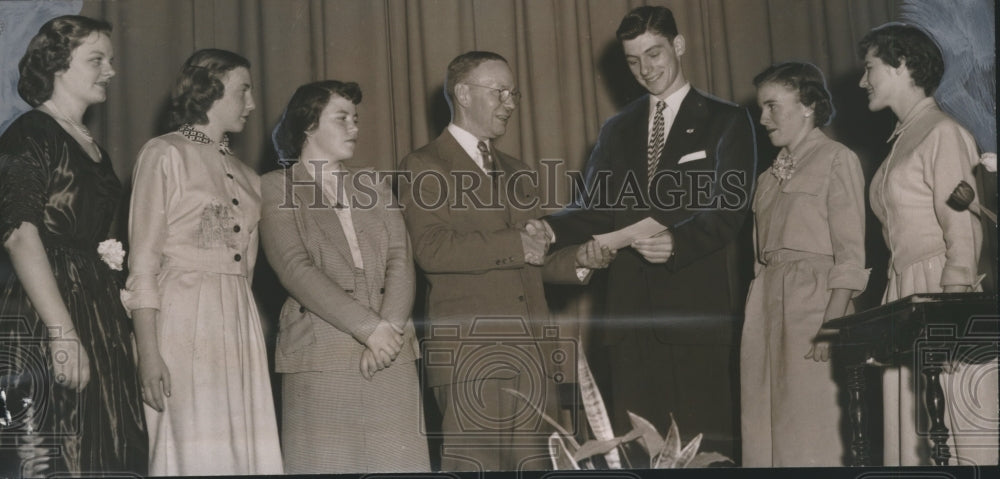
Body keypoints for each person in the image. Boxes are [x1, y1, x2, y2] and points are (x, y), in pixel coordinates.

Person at [542, 5, 757, 459]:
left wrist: (678, 243)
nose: (645, 70)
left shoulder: (727, 120)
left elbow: (729, 211)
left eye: (654, 54)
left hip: (695, 317)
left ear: (678, 46)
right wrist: (546, 227)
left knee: (703, 454)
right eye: (634, 61)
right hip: (628, 319)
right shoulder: (616, 129)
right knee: (638, 454)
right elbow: (595, 211)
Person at [398, 51, 613, 471]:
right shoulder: (423, 165)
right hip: (470, 361)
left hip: (533, 359)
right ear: (462, 93)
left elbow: (536, 259)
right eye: (500, 92)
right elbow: (432, 249)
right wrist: (518, 244)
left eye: (513, 93)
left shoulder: (519, 171)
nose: (511, 103)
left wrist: (580, 261)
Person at [122, 49, 282, 475]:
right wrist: (148, 354)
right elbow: (143, 264)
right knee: (189, 449)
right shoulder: (164, 154)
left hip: (237, 321)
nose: (251, 103)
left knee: (242, 447)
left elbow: (245, 271)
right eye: (243, 90)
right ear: (210, 90)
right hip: (180, 319)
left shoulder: (248, 176)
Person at [0, 15, 147, 476]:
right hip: (47, 312)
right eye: (96, 60)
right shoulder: (30, 133)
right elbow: (20, 233)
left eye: (111, 60)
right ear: (58, 66)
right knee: (52, 455)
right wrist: (62, 332)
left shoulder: (92, 146)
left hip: (95, 313)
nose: (110, 71)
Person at [260, 80, 430, 473]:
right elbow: (294, 268)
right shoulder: (275, 187)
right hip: (322, 355)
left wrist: (387, 331)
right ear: (307, 126)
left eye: (356, 119)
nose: (355, 127)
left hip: (392, 354)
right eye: (342, 118)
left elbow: (400, 258)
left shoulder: (372, 183)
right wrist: (370, 329)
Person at [859, 23, 998, 467]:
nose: (863, 81)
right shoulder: (903, 140)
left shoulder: (942, 132)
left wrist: (951, 313)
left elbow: (964, 234)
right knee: (915, 438)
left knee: (959, 433)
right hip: (904, 293)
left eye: (870, 68)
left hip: (941, 293)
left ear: (901, 65)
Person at [739, 62, 868, 467]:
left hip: (815, 308)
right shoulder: (765, 180)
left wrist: (831, 326)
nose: (763, 119)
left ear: (808, 104)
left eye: (772, 107)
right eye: (761, 108)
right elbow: (760, 259)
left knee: (812, 435)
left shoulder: (836, 159)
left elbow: (850, 255)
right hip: (765, 308)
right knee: (762, 430)